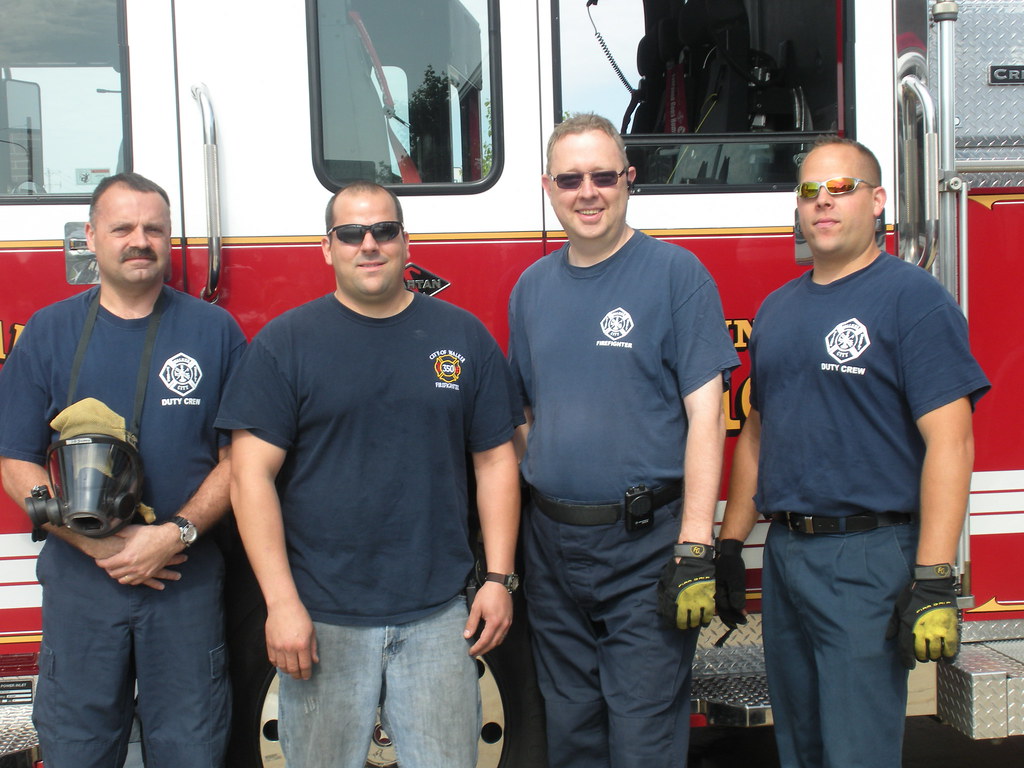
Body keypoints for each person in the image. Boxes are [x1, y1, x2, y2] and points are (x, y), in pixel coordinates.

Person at [216, 180, 522, 768]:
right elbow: (249, 477)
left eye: (384, 230)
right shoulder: (286, 344)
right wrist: (281, 605)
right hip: (323, 619)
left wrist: (500, 579)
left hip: (439, 619)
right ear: (327, 249)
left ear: (406, 241)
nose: (369, 244)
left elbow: (496, 461)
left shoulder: (462, 338)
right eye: (351, 233)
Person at [715, 137, 990, 768]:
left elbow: (952, 442)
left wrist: (932, 578)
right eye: (810, 191)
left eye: (842, 188)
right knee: (803, 748)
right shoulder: (778, 310)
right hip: (788, 556)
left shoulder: (912, 299)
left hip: (868, 557)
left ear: (878, 200)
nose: (823, 204)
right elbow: (758, 433)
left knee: (855, 752)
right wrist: (731, 545)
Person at [507, 113, 739, 768]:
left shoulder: (675, 275)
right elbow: (525, 411)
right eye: (571, 178)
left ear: (628, 181)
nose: (588, 192)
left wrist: (694, 544)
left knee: (642, 742)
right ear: (548, 187)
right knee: (572, 736)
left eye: (603, 176)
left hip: (645, 552)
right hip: (551, 551)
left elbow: (706, 414)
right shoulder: (530, 290)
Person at [0, 172, 246, 767]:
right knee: (77, 752)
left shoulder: (215, 333)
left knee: (192, 751)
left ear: (169, 238)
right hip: (82, 585)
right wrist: (96, 544)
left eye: (154, 229)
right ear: (90, 236)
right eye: (123, 228)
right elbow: (15, 458)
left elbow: (240, 457)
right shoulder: (48, 333)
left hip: (182, 579)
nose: (141, 240)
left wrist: (174, 534)